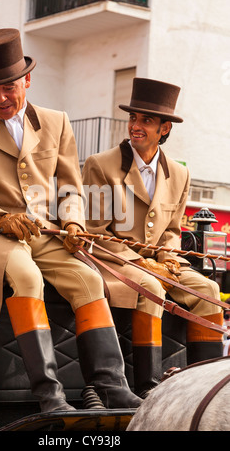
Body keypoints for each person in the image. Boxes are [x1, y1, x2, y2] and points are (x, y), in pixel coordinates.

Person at [0, 28, 142, 412]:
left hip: (45, 234)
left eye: (9, 87)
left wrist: (74, 224)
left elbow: (70, 184)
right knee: (28, 277)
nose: (0, 98)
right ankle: (50, 396)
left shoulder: (57, 121)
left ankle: (111, 386)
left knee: (89, 279)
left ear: (27, 80)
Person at [82, 77, 224, 399]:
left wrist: (170, 259)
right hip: (112, 262)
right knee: (151, 287)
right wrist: (145, 264)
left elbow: (172, 231)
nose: (136, 126)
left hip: (159, 264)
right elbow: (96, 233)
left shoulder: (180, 173)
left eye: (146, 120)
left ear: (165, 129)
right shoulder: (99, 165)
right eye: (133, 118)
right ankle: (148, 387)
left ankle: (205, 387)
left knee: (209, 289)